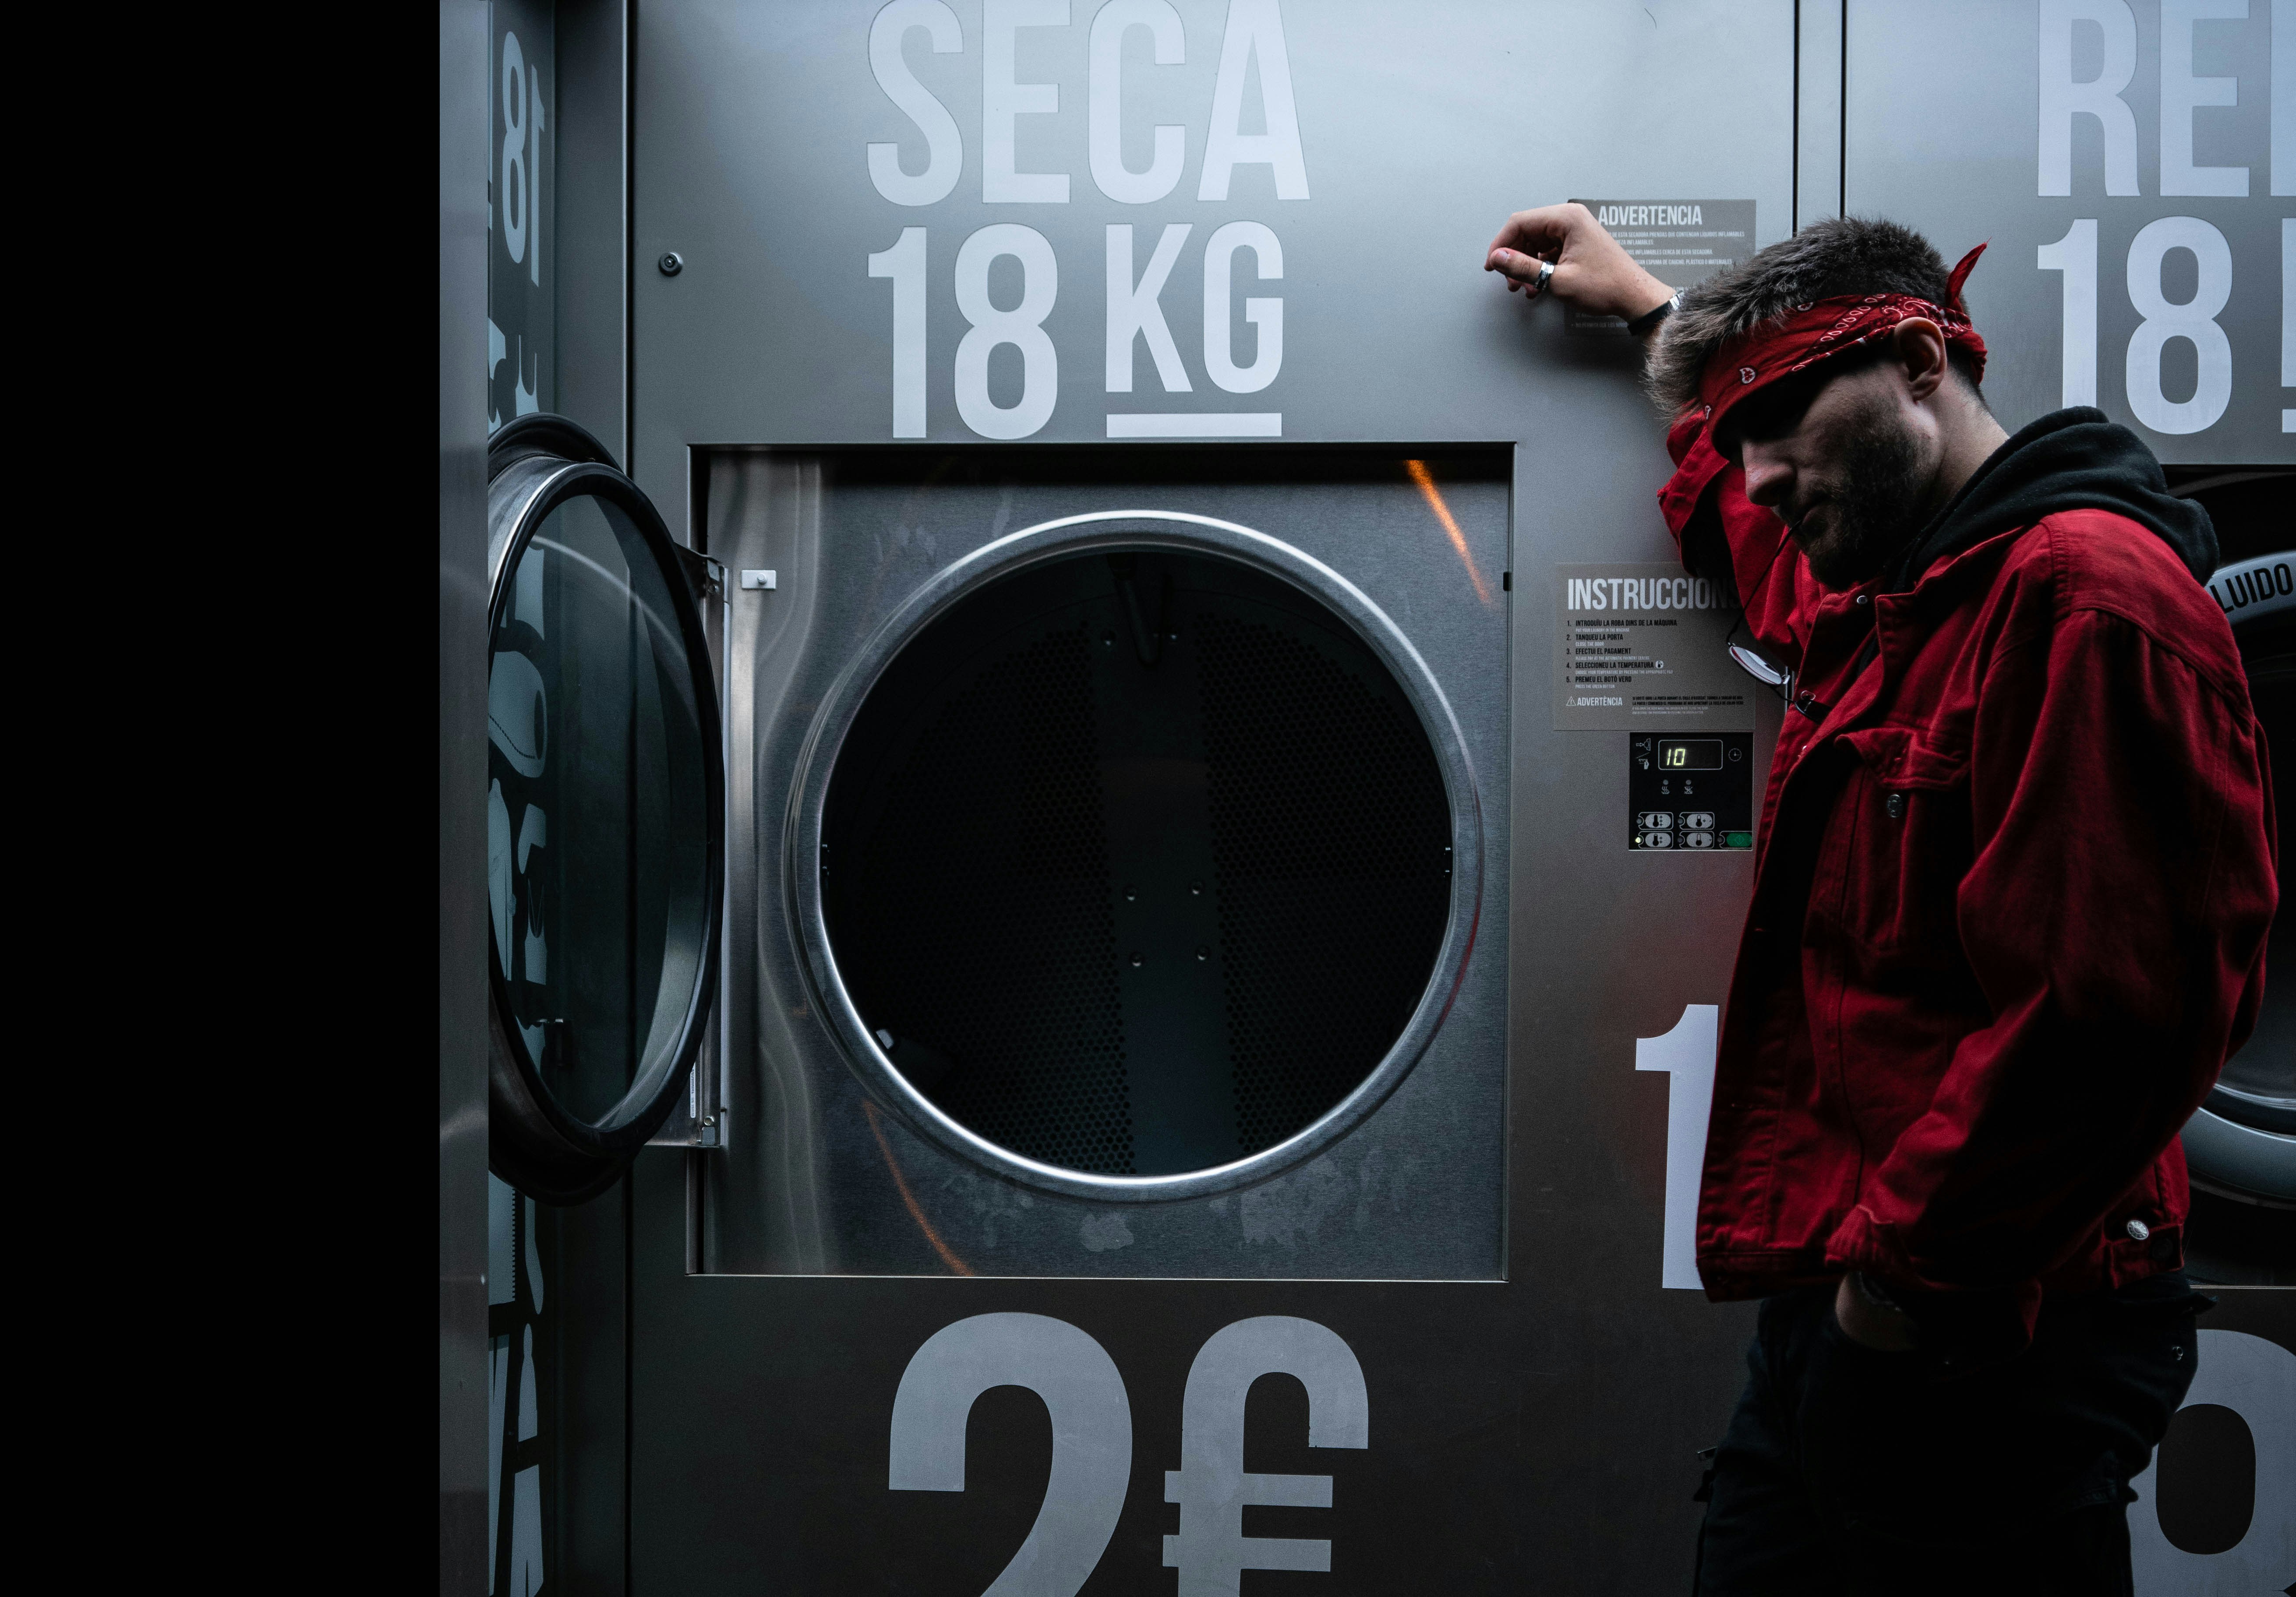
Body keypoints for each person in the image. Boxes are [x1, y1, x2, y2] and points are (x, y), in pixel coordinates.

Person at [1482, 205, 2277, 1593]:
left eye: (1783, 414)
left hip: (1990, 1322)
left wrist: (1899, 1294)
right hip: (1863, 1294)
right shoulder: (1894, 596)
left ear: (1919, 361)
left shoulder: (2083, 601)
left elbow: (2113, 1017)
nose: (1762, 470)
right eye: (1739, 435)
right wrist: (1654, 316)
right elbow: (1767, 541)